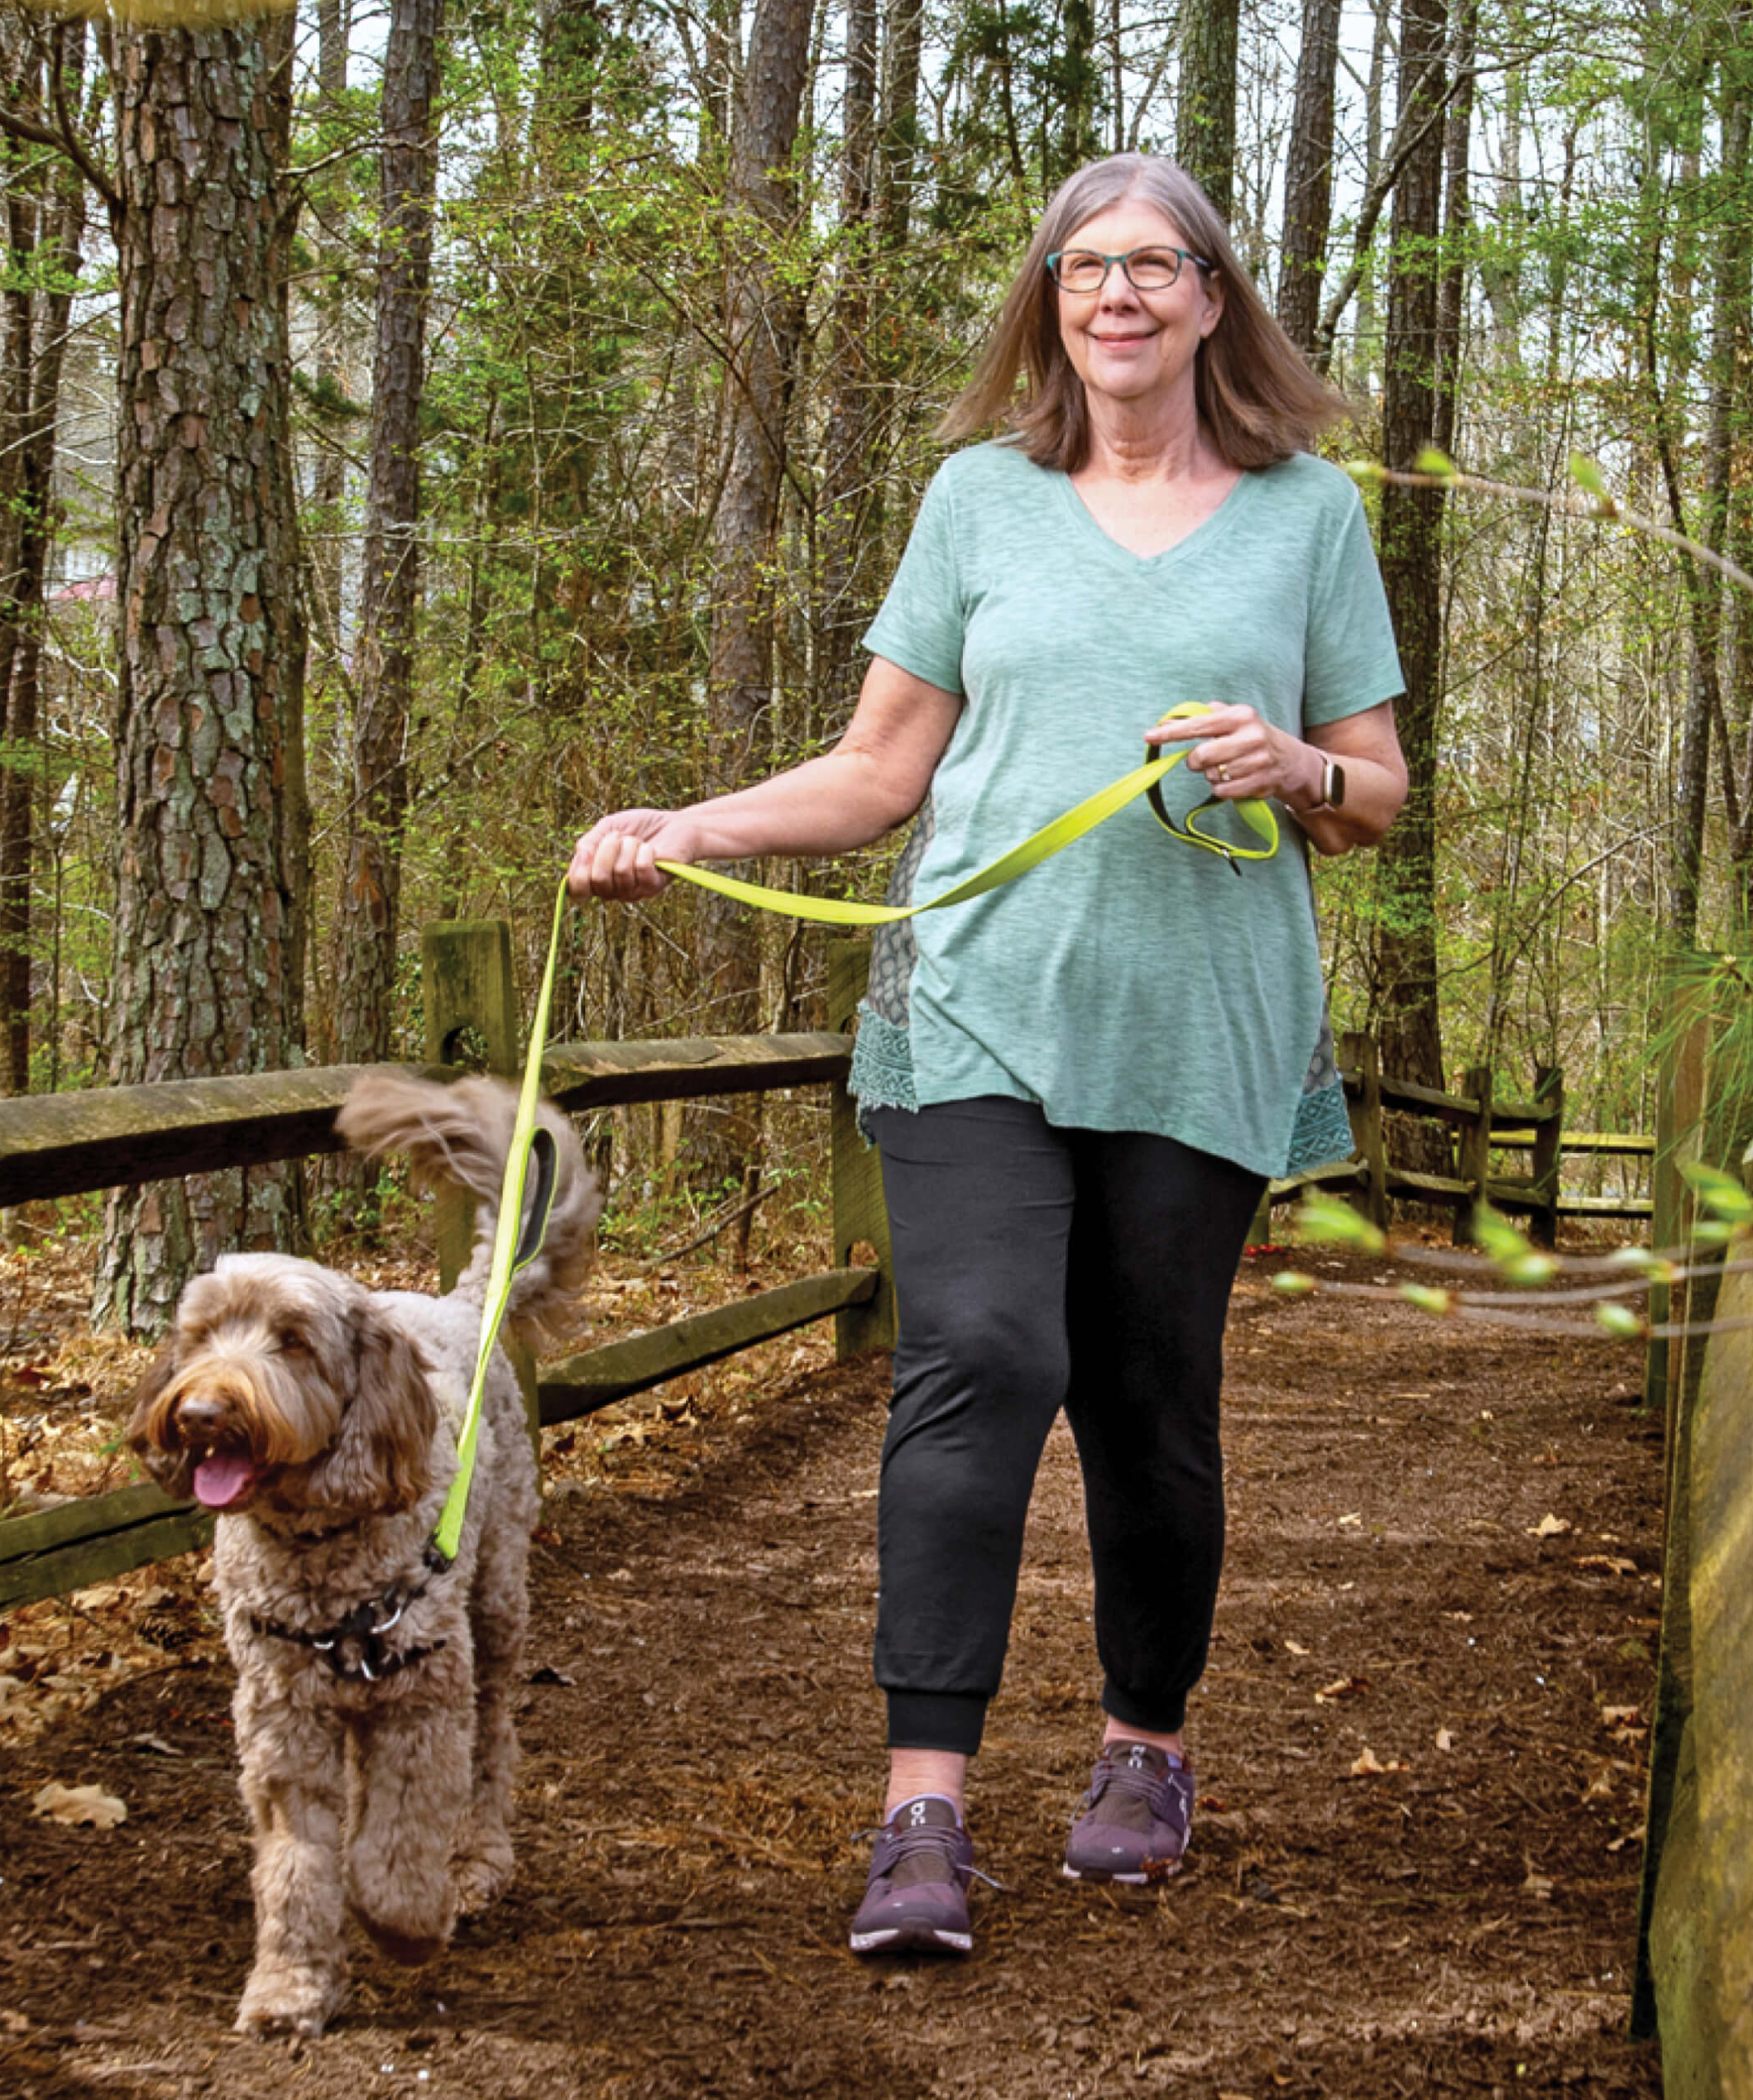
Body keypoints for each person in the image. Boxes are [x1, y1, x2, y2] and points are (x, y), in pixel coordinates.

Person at [568, 151, 1409, 1956]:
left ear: (1209, 298)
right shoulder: (976, 501)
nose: (1116, 293)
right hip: (965, 1004)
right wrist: (688, 823)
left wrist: (1301, 770)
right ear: (1048, 299)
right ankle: (921, 1815)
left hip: (1200, 1028)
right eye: (1082, 265)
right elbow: (883, 768)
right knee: (977, 1352)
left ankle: (1141, 1746)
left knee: (1146, 1401)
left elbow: (1379, 791)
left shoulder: (1305, 511)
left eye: (1154, 265)